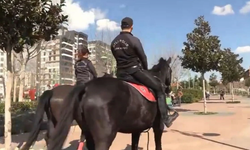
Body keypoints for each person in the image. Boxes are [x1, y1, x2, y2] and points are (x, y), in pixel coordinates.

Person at [110, 17, 179, 128]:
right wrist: (146, 71)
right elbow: (143, 57)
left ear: (121, 26)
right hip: (134, 72)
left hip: (120, 74)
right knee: (159, 88)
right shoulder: (134, 40)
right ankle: (166, 118)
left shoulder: (113, 42)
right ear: (131, 27)